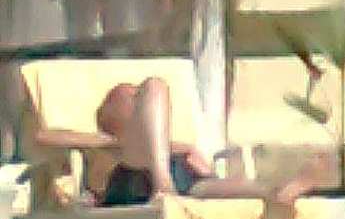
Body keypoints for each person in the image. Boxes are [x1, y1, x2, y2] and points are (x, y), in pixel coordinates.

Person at [85, 79, 322, 208]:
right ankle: (163, 187)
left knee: (222, 188)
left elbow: (169, 147)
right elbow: (55, 137)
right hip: (138, 183)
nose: (137, 96)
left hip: (182, 179)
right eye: (132, 96)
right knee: (155, 86)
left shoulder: (164, 147)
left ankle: (276, 191)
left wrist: (186, 151)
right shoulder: (110, 146)